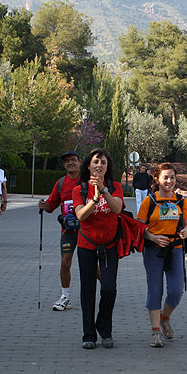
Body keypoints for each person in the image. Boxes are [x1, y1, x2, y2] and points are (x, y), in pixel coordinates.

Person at [72, 148, 124, 350]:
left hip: (110, 245)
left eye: (103, 162)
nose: (99, 165)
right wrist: (93, 198)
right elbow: (80, 215)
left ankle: (105, 327)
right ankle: (89, 334)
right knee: (88, 290)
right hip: (86, 245)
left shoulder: (115, 187)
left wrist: (103, 190)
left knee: (109, 288)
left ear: (107, 167)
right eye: (96, 162)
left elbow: (117, 209)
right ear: (89, 166)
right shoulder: (79, 190)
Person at [137, 163, 187, 347]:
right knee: (155, 290)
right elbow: (139, 227)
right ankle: (155, 332)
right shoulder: (149, 201)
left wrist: (186, 231)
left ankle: (165, 317)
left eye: (172, 177)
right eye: (165, 177)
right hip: (154, 251)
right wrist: (152, 237)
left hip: (175, 249)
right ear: (157, 179)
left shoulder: (181, 201)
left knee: (176, 291)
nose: (169, 181)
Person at [38, 151, 82, 311]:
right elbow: (51, 205)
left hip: (87, 230)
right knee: (65, 262)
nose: (70, 163)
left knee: (92, 265)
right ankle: (65, 297)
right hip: (68, 230)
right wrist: (44, 205)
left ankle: (107, 291)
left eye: (73, 160)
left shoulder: (87, 180)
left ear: (80, 162)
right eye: (67, 161)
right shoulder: (61, 183)